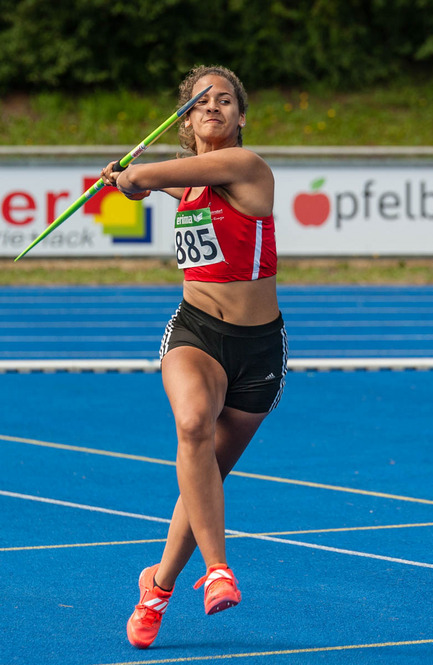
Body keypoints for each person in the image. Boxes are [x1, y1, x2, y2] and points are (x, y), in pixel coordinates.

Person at [101, 64, 288, 649]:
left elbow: (158, 174)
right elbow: (156, 183)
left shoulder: (247, 168)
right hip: (197, 333)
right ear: (186, 119)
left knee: (204, 478)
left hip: (259, 350)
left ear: (239, 117)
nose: (213, 107)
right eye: (201, 101)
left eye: (225, 100)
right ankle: (218, 571)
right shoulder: (185, 185)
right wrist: (126, 184)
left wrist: (136, 176)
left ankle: (155, 587)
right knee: (191, 426)